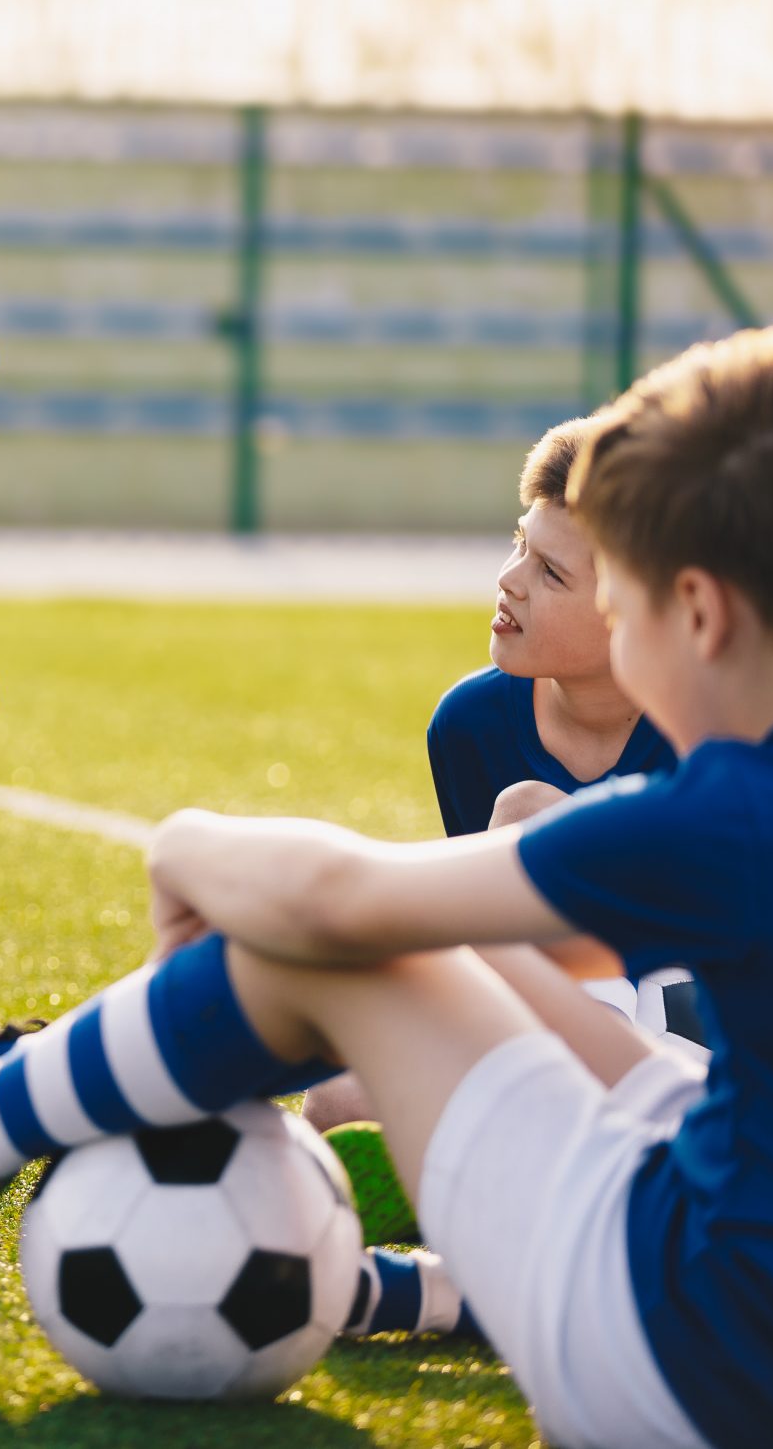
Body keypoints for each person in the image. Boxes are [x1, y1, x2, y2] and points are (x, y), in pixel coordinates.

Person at [0, 324, 773, 1446]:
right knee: (490, 961)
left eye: (629, 609)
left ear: (699, 612)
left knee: (347, 952)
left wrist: (190, 846)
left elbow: (330, 905)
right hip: (754, 1242)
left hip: (708, 1371)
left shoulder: (749, 803)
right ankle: (372, 1279)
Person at [308, 418, 699, 1153]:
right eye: (520, 544)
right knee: (335, 1101)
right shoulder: (470, 724)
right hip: (537, 1028)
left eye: (551, 573)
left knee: (532, 811)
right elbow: (490, 952)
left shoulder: (713, 737)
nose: (509, 579)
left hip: (683, 1052)